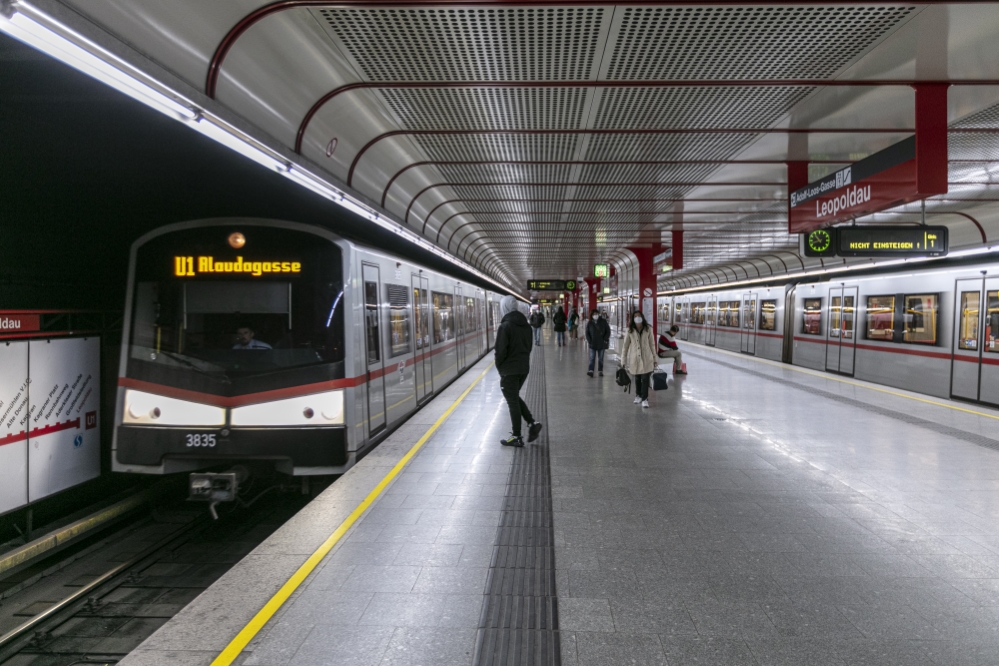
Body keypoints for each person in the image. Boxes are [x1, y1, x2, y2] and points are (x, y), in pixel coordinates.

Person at [495, 295, 543, 447]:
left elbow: (500, 351)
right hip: (523, 368)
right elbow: (529, 348)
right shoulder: (526, 326)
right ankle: (532, 423)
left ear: (505, 308)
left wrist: (500, 368)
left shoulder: (505, 326)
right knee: (514, 397)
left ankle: (517, 436)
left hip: (509, 370)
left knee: (512, 401)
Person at [620, 312, 657, 408]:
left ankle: (645, 399)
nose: (637, 318)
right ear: (633, 318)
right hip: (635, 358)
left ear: (642, 317)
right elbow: (625, 346)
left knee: (645, 378)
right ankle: (638, 395)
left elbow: (652, 344)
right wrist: (623, 360)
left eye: (639, 316)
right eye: (635, 316)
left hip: (646, 358)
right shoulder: (629, 330)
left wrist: (654, 358)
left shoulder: (648, 329)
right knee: (637, 378)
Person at [584, 309, 610, 377]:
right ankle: (591, 370)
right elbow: (587, 333)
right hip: (592, 343)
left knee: (600, 358)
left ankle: (600, 371)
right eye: (594, 314)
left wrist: (605, 338)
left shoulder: (603, 322)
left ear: (599, 314)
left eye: (596, 314)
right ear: (592, 315)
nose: (595, 315)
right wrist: (589, 340)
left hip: (601, 343)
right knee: (592, 358)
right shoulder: (590, 323)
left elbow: (608, 331)